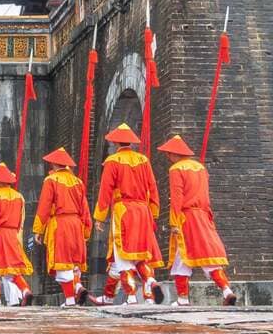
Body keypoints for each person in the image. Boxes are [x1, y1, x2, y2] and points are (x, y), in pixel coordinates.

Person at [158, 135, 236, 306]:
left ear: (174, 154)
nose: (168, 158)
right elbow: (206, 196)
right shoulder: (200, 168)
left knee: (181, 258)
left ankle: (183, 299)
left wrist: (174, 222)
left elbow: (177, 197)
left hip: (187, 218)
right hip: (203, 215)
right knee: (209, 258)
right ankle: (226, 290)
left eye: (168, 154)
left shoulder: (176, 169)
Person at [92, 123, 165, 306]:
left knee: (123, 258)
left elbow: (105, 191)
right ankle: (150, 281)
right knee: (140, 255)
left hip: (123, 211)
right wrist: (154, 213)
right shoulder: (143, 160)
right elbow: (153, 188)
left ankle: (131, 297)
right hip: (143, 211)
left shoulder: (112, 161)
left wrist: (100, 217)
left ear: (116, 142)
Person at [32, 147, 91, 307]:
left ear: (54, 164)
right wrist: (86, 228)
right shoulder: (78, 182)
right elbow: (85, 208)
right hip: (76, 223)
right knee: (74, 262)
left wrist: (38, 229)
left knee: (62, 262)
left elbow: (44, 206)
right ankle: (77, 286)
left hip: (60, 224)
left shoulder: (51, 180)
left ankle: (70, 299)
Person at [0, 163, 34, 307]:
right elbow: (21, 219)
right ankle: (25, 289)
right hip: (13, 235)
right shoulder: (19, 197)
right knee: (11, 268)